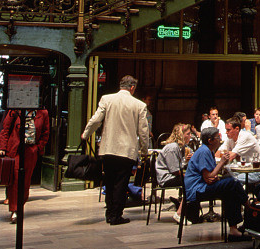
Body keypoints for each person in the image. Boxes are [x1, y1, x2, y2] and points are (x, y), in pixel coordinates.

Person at [81, 75, 150, 225]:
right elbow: (143, 131)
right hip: (127, 151)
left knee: (109, 181)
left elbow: (96, 120)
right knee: (121, 183)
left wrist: (86, 134)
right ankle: (116, 215)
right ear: (132, 88)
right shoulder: (139, 105)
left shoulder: (107, 99)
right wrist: (144, 151)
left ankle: (109, 213)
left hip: (108, 149)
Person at [184, 127, 249, 242]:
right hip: (197, 190)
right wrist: (222, 162)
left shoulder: (208, 150)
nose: (220, 139)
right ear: (210, 140)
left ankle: (234, 230)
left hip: (202, 186)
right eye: (218, 138)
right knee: (231, 182)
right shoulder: (204, 151)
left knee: (230, 188)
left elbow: (211, 177)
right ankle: (249, 206)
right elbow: (209, 177)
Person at [0, 108, 50, 223]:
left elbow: (46, 133)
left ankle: (20, 207)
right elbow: (5, 130)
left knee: (25, 182)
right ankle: (15, 210)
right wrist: (2, 147)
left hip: (31, 151)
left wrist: (38, 148)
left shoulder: (43, 113)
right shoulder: (15, 111)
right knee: (15, 180)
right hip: (15, 150)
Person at [155, 123, 192, 222]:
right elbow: (175, 170)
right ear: (181, 135)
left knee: (192, 179)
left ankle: (185, 208)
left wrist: (186, 161)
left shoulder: (181, 147)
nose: (190, 136)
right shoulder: (172, 147)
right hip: (166, 178)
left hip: (172, 176)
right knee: (191, 181)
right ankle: (179, 212)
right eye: (188, 134)